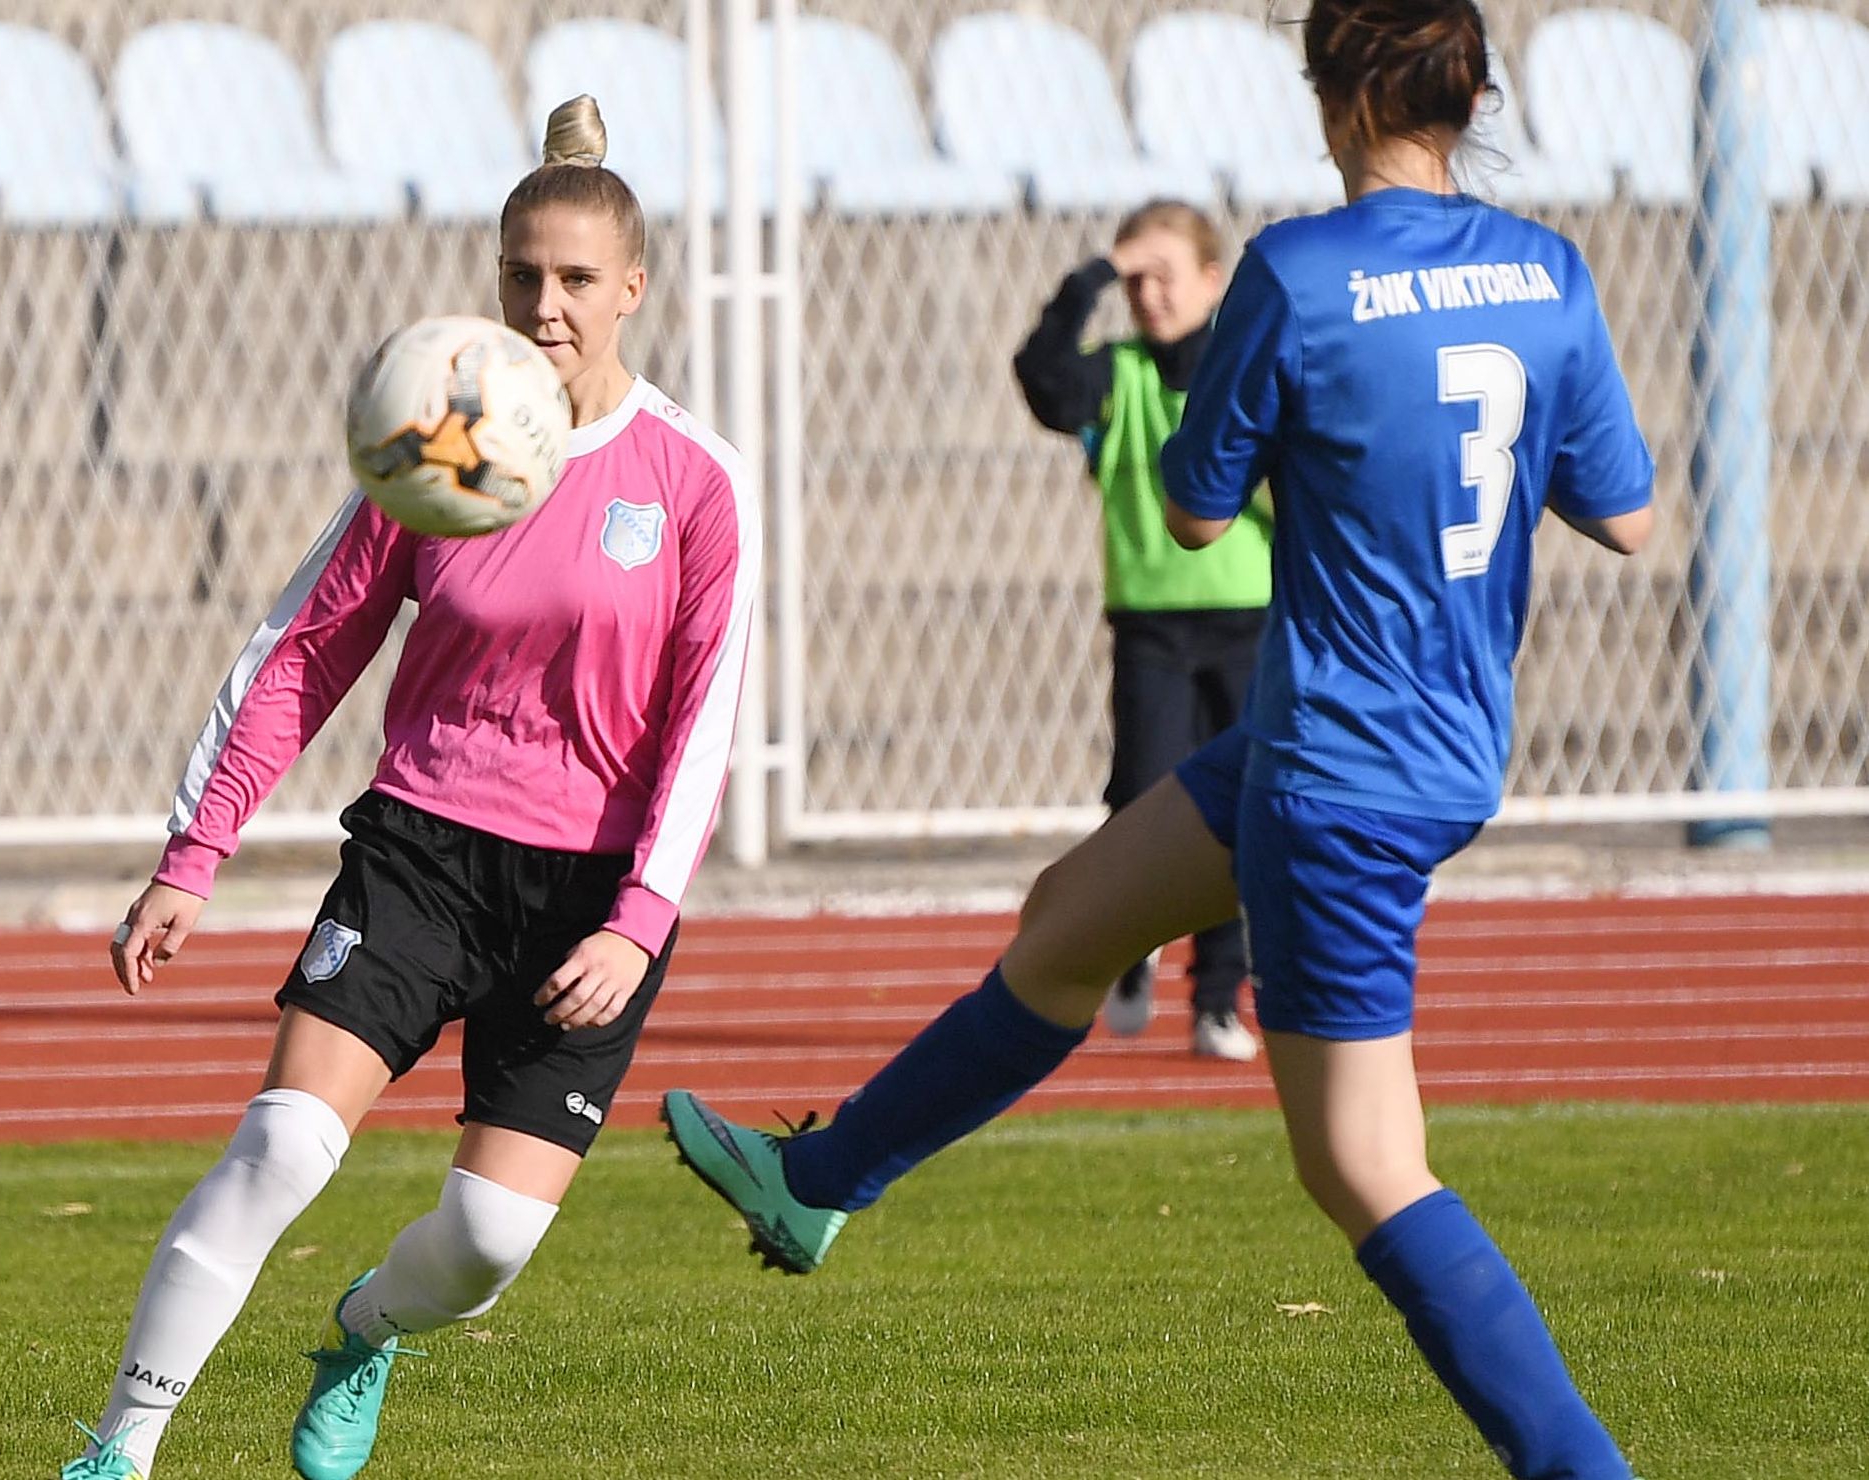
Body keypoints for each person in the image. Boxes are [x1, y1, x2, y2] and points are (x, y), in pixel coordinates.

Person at [662, 0, 1652, 1473]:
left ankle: (1583, 1468)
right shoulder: (1549, 268)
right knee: (1067, 922)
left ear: (1330, 94)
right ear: (1474, 93)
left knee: (1366, 1166)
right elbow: (1623, 515)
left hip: (1334, 766)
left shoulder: (1299, 272)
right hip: (1433, 736)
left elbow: (1196, 504)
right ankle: (820, 1179)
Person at [62, 94, 759, 1480]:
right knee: (280, 1149)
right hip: (423, 852)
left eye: (575, 282)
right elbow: (303, 647)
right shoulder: (434, 439)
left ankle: (365, 1331)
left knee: (487, 1246)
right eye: (521, 277)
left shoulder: (695, 480)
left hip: (589, 902)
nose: (545, 308)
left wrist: (638, 920)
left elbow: (706, 724)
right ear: (492, 278)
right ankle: (120, 1450)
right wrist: (195, 854)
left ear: (632, 290)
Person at [1011, 201, 1269, 1059]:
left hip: (1248, 622)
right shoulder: (1116, 376)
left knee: (1247, 813)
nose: (1149, 294)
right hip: (1152, 626)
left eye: (1166, 275)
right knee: (1142, 797)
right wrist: (1091, 276)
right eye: (1137, 278)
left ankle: (1218, 997)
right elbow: (1042, 376)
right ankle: (1131, 950)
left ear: (1211, 281)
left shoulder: (1249, 377)